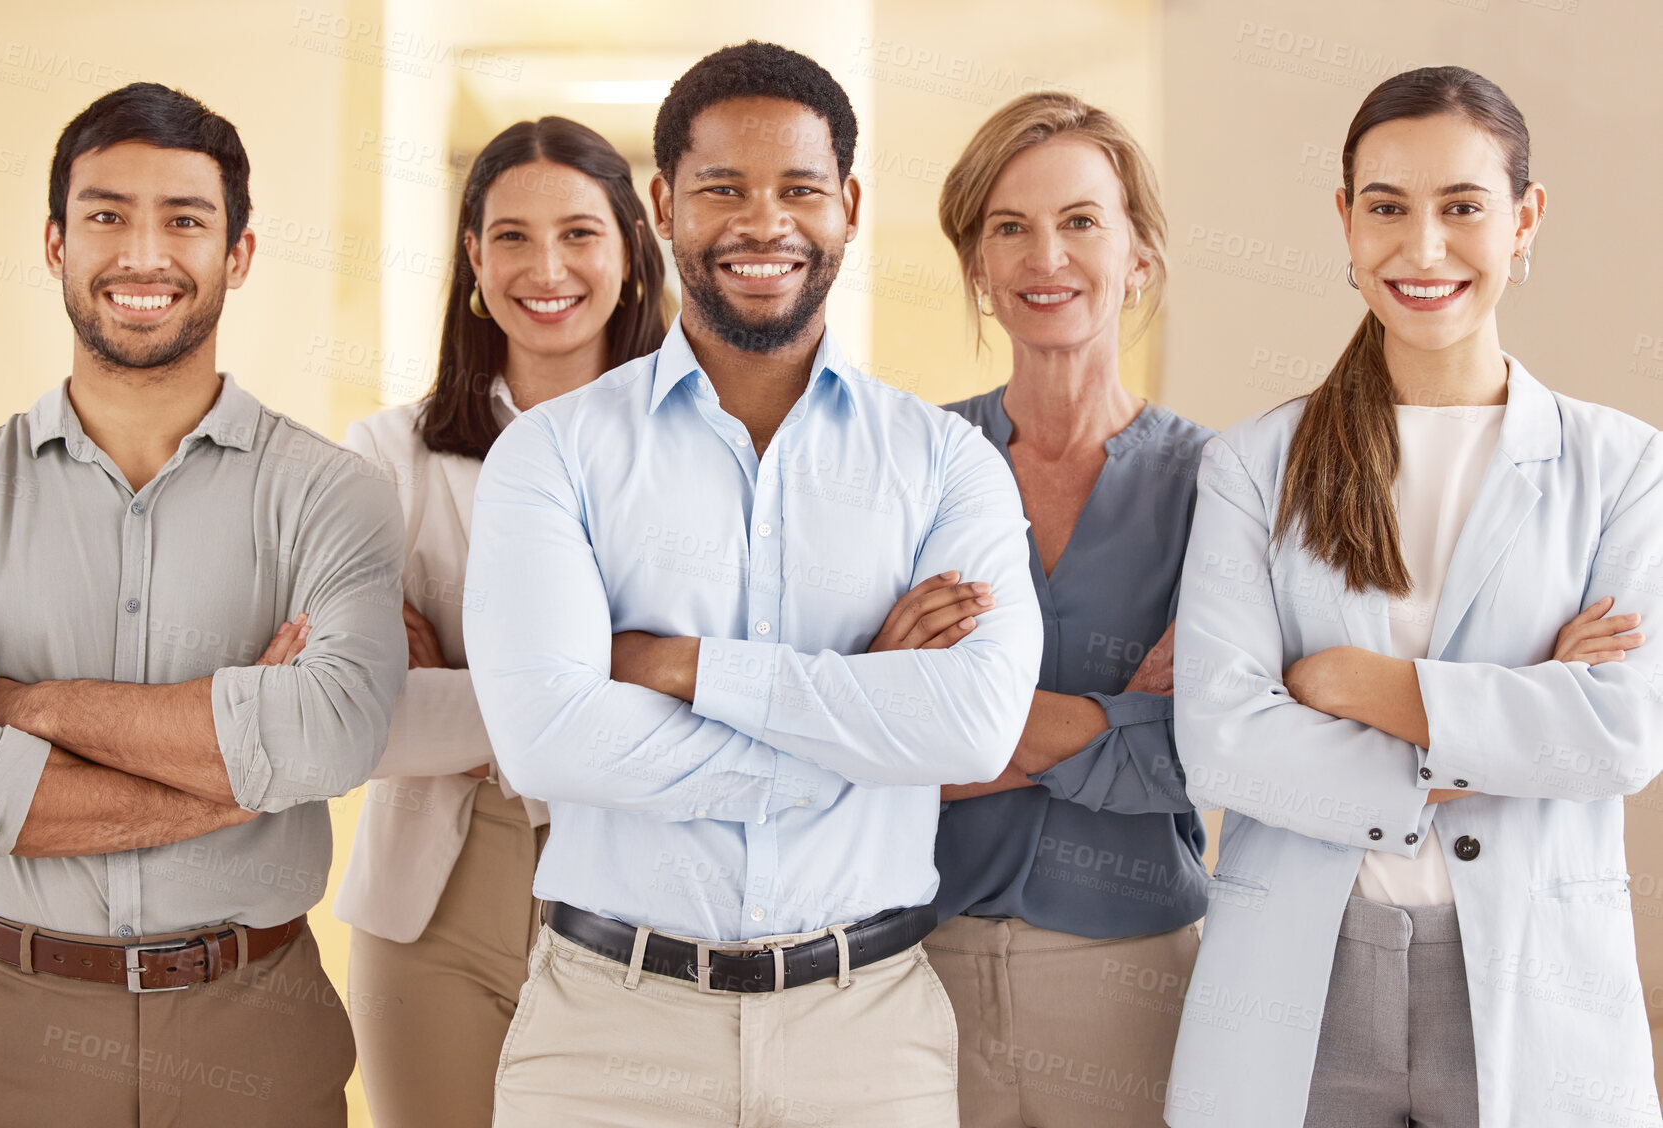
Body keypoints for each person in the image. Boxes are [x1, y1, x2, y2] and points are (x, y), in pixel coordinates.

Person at [464, 40, 1043, 1128]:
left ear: (849, 206)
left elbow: (967, 729)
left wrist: (682, 667)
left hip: (865, 1034)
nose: (761, 224)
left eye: (798, 190)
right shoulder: (552, 455)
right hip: (605, 1035)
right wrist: (858, 710)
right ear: (662, 208)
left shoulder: (943, 462)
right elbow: (549, 744)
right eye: (721, 189)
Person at [0, 83, 406, 1127]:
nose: (142, 254)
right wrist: (233, 777)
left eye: (185, 218)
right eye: (106, 214)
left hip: (255, 1026)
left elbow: (333, 738)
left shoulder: (332, 494)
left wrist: (27, 708)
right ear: (54, 244)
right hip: (5, 1031)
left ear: (240, 255)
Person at [1167, 66, 1663, 1127]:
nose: (1422, 248)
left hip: (1532, 985)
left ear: (1523, 221)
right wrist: (1519, 708)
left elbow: (1619, 734)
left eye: (1462, 208)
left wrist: (1357, 683)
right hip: (1301, 982)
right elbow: (1219, 744)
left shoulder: (1623, 467)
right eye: (1386, 208)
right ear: (1344, 224)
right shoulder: (1255, 465)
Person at [332, 115, 666, 1127]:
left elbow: (728, 703)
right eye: (510, 236)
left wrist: (455, 692)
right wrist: (603, 683)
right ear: (473, 258)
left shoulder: (704, 453)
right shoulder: (389, 456)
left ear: (628, 254)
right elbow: (354, 717)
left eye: (577, 232)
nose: (545, 266)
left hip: (644, 894)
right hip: (429, 905)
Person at [924, 91, 1209, 1128]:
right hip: (919, 965)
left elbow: (1202, 752)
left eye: (1080, 220)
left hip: (1132, 977)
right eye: (1009, 227)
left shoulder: (1215, 486)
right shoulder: (911, 465)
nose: (1046, 256)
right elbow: (856, 739)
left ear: (1137, 255)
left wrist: (961, 722)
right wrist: (1107, 719)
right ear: (978, 269)